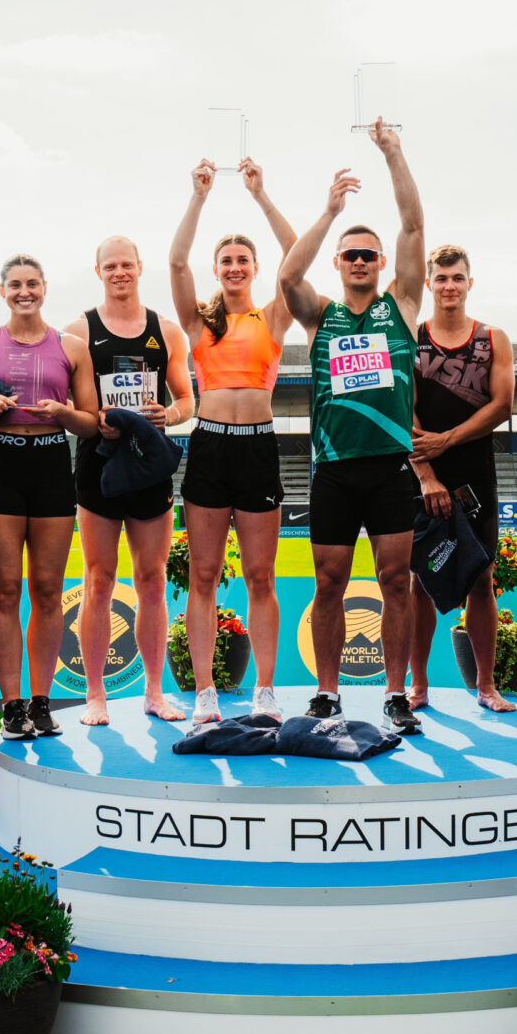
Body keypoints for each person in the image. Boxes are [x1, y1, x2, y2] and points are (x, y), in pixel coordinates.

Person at [273, 121, 428, 732]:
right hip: (334, 471)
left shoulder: (403, 306)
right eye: (350, 254)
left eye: (369, 253)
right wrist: (328, 211)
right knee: (329, 583)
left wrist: (394, 152)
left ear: (381, 263)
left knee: (396, 581)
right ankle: (328, 691)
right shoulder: (321, 317)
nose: (361, 260)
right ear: (338, 263)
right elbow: (287, 279)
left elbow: (414, 226)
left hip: (391, 470)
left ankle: (395, 693)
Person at [0, 257, 102, 741]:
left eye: (32, 283)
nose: (24, 291)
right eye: (15, 285)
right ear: (2, 291)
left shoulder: (71, 347)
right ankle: (12, 705)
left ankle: (42, 701)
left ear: (45, 288)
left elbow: (94, 422)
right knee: (7, 589)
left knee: (48, 590)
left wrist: (63, 411)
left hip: (53, 463)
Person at [168, 161, 289, 721]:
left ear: (254, 268)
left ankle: (264, 691)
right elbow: (174, 261)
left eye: (243, 260)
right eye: (226, 261)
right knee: (204, 575)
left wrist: (261, 197)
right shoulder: (199, 323)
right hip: (211, 446)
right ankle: (205, 694)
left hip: (259, 448)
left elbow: (298, 259)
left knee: (262, 576)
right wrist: (198, 197)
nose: (235, 267)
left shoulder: (273, 317)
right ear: (217, 270)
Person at [76, 237, 193, 724]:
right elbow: (79, 406)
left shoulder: (166, 331)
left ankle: (153, 691)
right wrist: (94, 419)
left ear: (140, 268)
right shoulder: (77, 331)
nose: (119, 272)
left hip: (148, 463)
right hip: (99, 464)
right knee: (99, 581)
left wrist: (169, 412)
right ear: (98, 270)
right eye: (110, 265)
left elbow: (188, 400)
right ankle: (95, 695)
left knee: (151, 578)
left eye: (127, 264)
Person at [400, 243, 516, 712]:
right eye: (442, 278)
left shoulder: (493, 337)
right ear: (429, 284)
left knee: (481, 577)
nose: (450, 286)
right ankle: (419, 685)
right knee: (419, 581)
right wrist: (426, 472)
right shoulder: (411, 337)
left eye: (458, 278)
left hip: (474, 474)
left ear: (470, 283)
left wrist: (446, 440)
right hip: (420, 473)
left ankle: (485, 686)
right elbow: (400, 410)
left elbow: (502, 406)